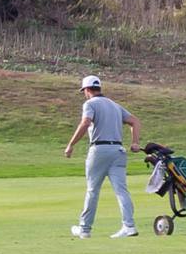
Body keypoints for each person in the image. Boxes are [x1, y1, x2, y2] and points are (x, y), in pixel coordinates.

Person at [61, 74, 142, 239]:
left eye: (84, 90)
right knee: (121, 190)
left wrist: (71, 144)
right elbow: (134, 121)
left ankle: (84, 229)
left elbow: (85, 123)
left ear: (87, 90)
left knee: (92, 190)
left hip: (99, 150)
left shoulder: (90, 104)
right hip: (118, 151)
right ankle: (129, 226)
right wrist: (135, 142)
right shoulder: (115, 105)